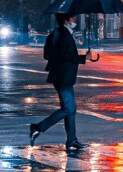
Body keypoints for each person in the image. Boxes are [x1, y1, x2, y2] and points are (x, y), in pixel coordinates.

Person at [30, 11, 87, 149]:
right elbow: (67, 57)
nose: (75, 19)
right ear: (66, 20)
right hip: (63, 77)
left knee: (71, 109)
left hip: (61, 76)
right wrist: (85, 57)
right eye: (73, 16)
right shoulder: (64, 35)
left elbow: (48, 54)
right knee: (68, 108)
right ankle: (38, 128)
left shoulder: (56, 33)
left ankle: (72, 140)